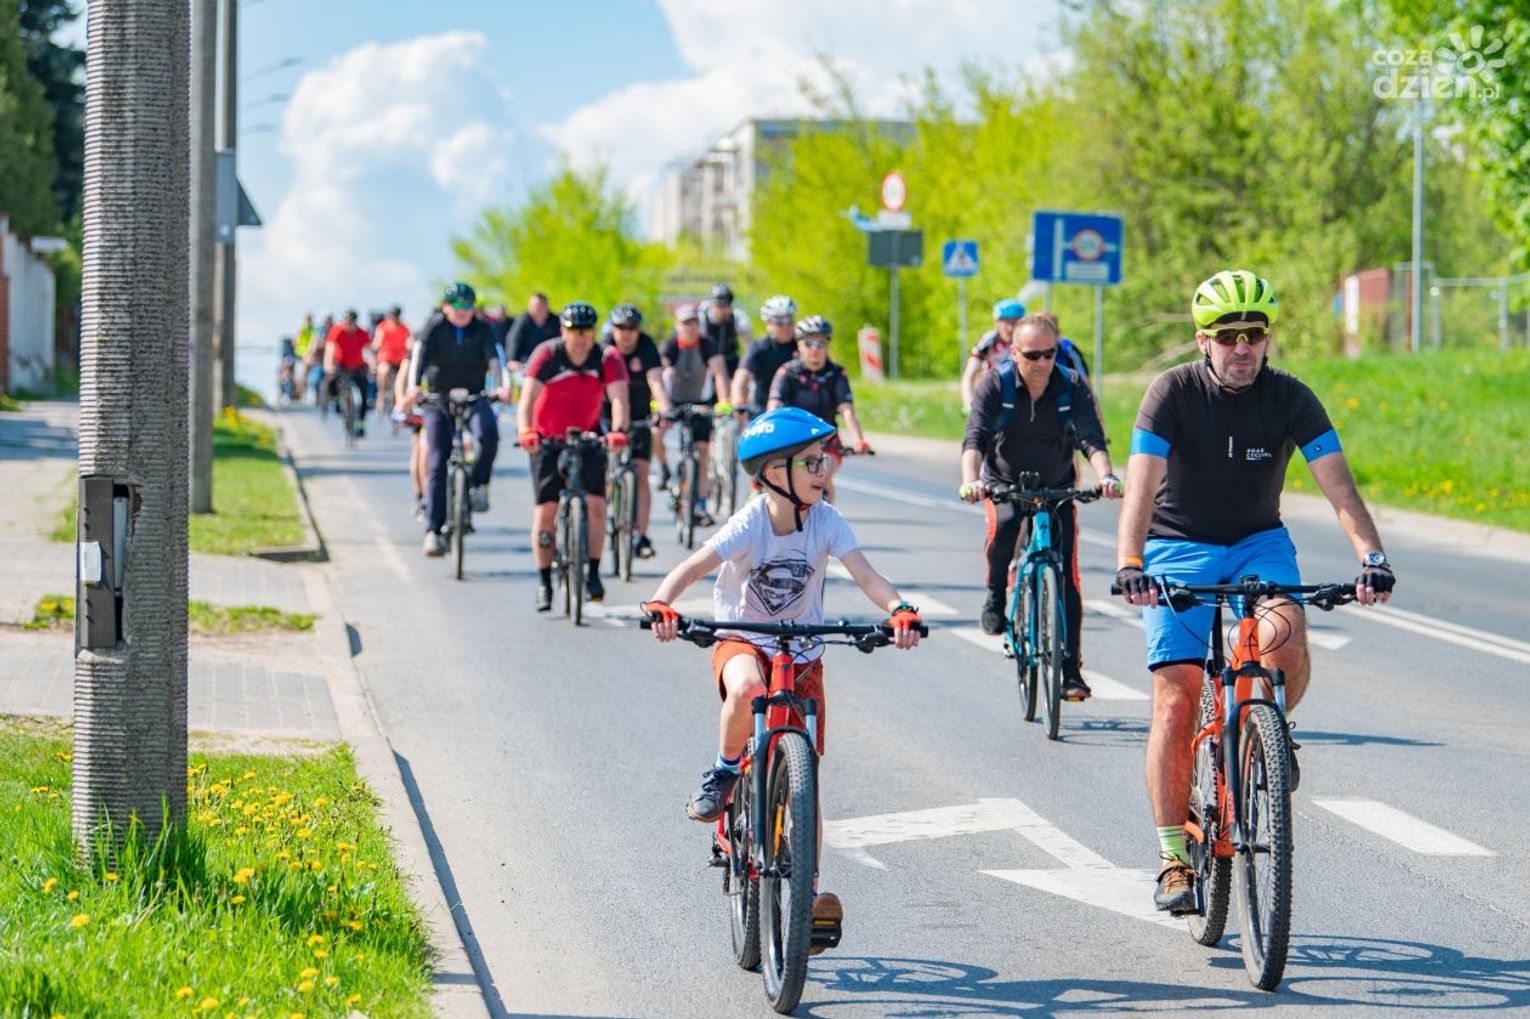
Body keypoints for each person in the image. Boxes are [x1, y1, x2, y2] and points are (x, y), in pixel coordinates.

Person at [1114, 269, 1396, 915]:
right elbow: (1140, 486)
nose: (1241, 347)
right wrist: (1131, 561)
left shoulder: (1291, 396)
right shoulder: (1170, 392)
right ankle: (1173, 858)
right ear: (1203, 340)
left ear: (1267, 339)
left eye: (1254, 334)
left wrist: (1372, 557)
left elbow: (1340, 487)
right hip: (1177, 545)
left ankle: (1270, 724)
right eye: (1227, 336)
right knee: (1177, 698)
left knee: (1285, 635)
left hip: (1257, 542)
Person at [643, 406, 924, 945]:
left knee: (804, 774)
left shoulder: (826, 521)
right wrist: (662, 601)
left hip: (801, 651)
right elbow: (696, 565)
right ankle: (725, 771)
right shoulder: (752, 521)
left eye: (825, 460)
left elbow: (866, 574)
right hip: (744, 638)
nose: (824, 470)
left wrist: (899, 609)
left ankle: (807, 891)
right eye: (811, 462)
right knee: (747, 687)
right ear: (774, 473)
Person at [959, 313, 1121, 699]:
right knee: (1005, 529)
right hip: (1003, 481)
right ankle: (996, 594)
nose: (1043, 363)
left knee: (1067, 576)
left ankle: (1071, 670)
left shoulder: (1071, 385)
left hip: (1057, 484)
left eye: (1050, 354)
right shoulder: (995, 384)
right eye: (1033, 355)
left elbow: (1092, 437)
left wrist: (1106, 475)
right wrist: (970, 480)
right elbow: (975, 438)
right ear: (1014, 353)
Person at [517, 301, 630, 610]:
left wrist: (618, 431)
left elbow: (619, 399)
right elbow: (527, 398)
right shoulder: (547, 354)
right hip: (546, 439)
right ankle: (544, 581)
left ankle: (592, 572)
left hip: (588, 436)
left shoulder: (607, 357)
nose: (581, 337)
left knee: (596, 505)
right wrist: (526, 430)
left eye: (586, 331)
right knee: (547, 510)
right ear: (562, 331)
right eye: (574, 331)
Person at [398, 282, 511, 557]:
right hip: (438, 399)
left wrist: (503, 386)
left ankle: (478, 485)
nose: (462, 310)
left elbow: (496, 359)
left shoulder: (483, 330)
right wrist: (414, 388)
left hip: (475, 396)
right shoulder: (434, 328)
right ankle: (433, 531)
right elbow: (419, 358)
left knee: (489, 434)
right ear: (445, 307)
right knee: (437, 460)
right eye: (456, 305)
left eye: (467, 305)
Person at [766, 316, 871, 504]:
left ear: (827, 345)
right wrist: (771, 432)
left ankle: (826, 519)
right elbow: (774, 406)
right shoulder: (787, 372)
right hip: (794, 439)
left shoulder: (837, 374)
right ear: (799, 345)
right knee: (784, 480)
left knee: (822, 474)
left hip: (828, 440)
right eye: (809, 343)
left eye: (820, 343)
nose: (815, 349)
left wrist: (858, 439)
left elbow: (847, 410)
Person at [604, 303, 672, 559]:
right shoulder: (604, 348)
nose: (626, 333)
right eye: (621, 328)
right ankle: (600, 514)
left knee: (641, 474)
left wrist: (664, 409)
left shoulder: (646, 346)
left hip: (640, 416)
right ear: (613, 329)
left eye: (632, 328)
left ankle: (641, 536)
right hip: (607, 415)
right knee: (600, 470)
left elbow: (656, 382)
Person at [661, 304, 732, 527]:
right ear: (677, 325)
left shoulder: (707, 346)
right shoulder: (671, 346)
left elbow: (720, 374)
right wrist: (659, 404)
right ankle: (665, 470)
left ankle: (701, 504)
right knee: (656, 433)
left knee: (702, 454)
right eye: (685, 323)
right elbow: (659, 374)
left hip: (701, 403)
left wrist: (724, 402)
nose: (689, 327)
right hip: (674, 402)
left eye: (693, 323)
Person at [730, 294, 799, 420]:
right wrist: (738, 401)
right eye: (779, 322)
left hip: (798, 412)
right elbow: (741, 376)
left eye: (789, 320)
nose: (786, 326)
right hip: (763, 412)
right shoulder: (758, 347)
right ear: (767, 323)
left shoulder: (804, 345)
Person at [960, 299, 1025, 414]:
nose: (1010, 327)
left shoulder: (1028, 342)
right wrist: (969, 404)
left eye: (1016, 321)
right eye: (1006, 321)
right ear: (996, 321)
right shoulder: (988, 341)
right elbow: (969, 375)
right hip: (992, 395)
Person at [323, 309, 374, 432]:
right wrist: (328, 366)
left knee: (364, 393)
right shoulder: (336, 331)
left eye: (351, 323)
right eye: (345, 323)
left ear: (355, 323)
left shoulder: (363, 333)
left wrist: (373, 364)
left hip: (358, 366)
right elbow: (330, 350)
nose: (348, 326)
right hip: (342, 365)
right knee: (331, 380)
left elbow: (368, 351)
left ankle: (361, 424)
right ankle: (336, 401)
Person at [506, 292, 561, 371]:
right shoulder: (522, 321)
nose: (538, 310)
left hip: (550, 361)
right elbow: (514, 339)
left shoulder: (556, 322)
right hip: (526, 361)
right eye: (535, 307)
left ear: (547, 306)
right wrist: (512, 359)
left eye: (541, 307)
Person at [372, 305, 410, 411]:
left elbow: (409, 342)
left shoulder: (404, 328)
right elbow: (377, 342)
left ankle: (401, 399)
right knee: (384, 371)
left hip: (400, 358)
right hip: (386, 357)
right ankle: (382, 394)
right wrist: (374, 348)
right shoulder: (382, 327)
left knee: (405, 372)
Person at [700, 282, 742, 377]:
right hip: (707, 363)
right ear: (711, 304)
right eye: (719, 306)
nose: (723, 310)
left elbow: (748, 346)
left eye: (726, 305)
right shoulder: (702, 318)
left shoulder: (738, 317)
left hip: (731, 360)